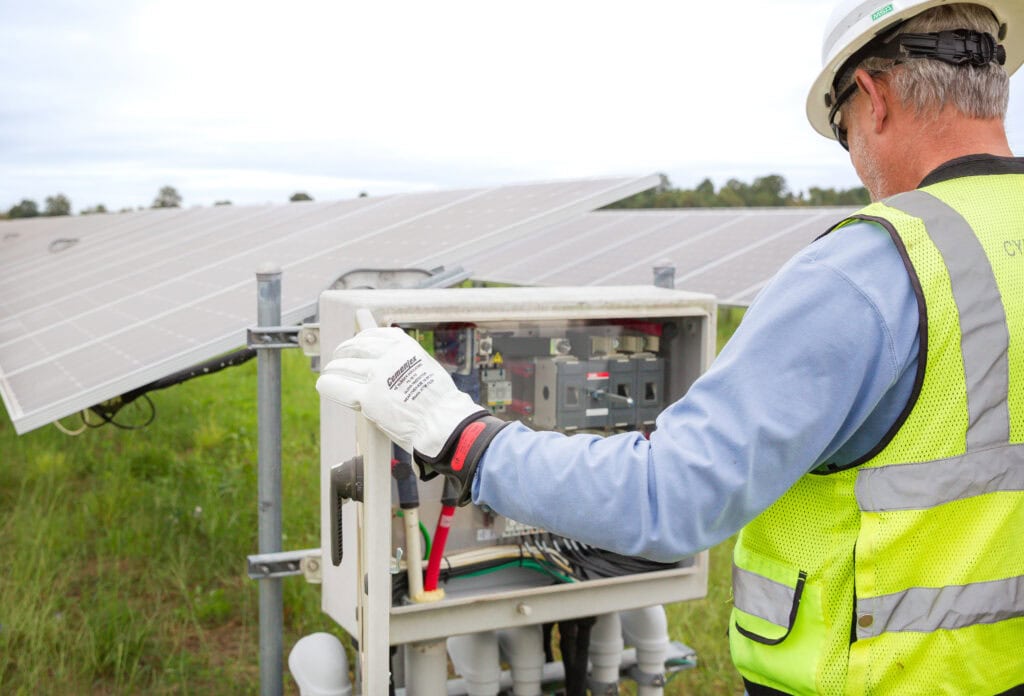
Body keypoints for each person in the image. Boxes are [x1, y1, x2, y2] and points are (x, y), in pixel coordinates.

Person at [317, 1, 1024, 693]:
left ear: (870, 98)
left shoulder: (867, 272)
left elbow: (669, 496)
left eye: (842, 134)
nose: (856, 161)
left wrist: (464, 435)